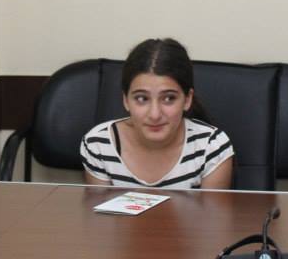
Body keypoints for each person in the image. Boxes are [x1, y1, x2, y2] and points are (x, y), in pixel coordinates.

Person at [80, 38, 234, 189]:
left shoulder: (212, 147)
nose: (154, 115)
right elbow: (101, 207)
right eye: (142, 98)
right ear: (125, 100)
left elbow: (211, 208)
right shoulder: (98, 144)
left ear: (187, 99)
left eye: (169, 98)